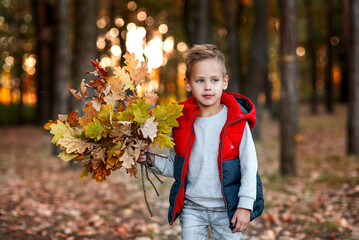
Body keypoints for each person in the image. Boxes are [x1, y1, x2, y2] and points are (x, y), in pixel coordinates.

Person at [137, 44, 263, 240]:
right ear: (188, 84)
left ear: (225, 82)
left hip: (227, 207)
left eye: (214, 80)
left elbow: (249, 165)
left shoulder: (236, 121)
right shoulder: (179, 121)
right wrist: (150, 159)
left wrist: (245, 206)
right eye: (200, 80)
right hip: (191, 207)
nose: (207, 87)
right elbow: (175, 165)